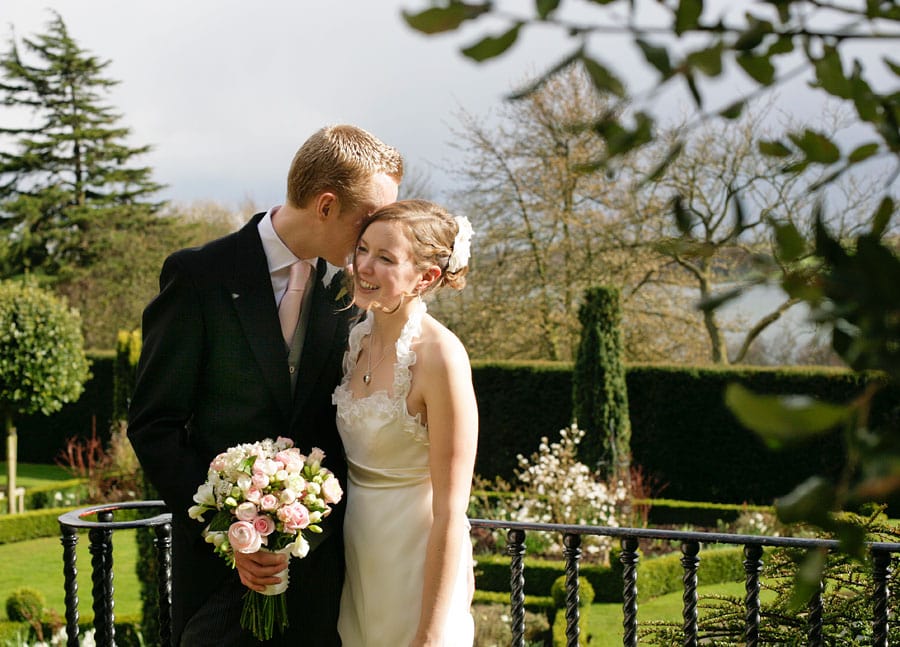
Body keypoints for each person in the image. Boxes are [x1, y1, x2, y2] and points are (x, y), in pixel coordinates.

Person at [127, 124, 402, 646]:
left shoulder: (351, 291)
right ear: (326, 206)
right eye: (369, 218)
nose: (377, 234)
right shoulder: (199, 276)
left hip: (322, 584)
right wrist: (226, 532)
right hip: (218, 580)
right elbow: (154, 424)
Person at [332, 199, 479, 646]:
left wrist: (430, 634)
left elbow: (451, 511)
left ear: (426, 277)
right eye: (362, 249)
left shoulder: (441, 357)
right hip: (356, 563)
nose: (363, 266)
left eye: (385, 258)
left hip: (415, 569)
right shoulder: (353, 339)